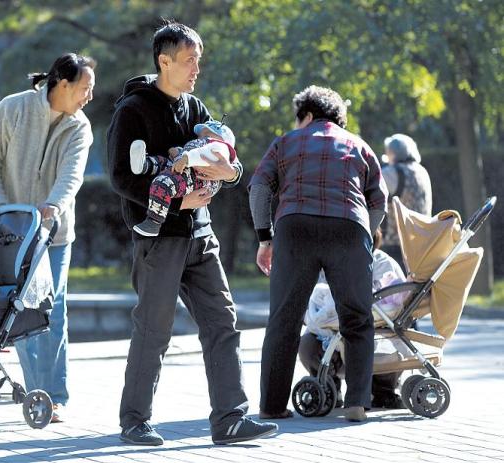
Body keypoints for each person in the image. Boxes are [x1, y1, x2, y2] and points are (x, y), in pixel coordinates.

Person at [107, 21, 277, 446]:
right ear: (164, 62)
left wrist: (232, 171)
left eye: (198, 60)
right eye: (188, 61)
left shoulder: (195, 108)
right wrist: (176, 203)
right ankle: (134, 421)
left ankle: (230, 419)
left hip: (201, 236)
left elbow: (226, 162)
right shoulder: (133, 110)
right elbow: (122, 178)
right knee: (154, 329)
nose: (196, 68)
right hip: (158, 237)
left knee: (223, 322)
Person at [248, 85, 388, 423]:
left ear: (307, 115)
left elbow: (259, 187)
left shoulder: (285, 142)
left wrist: (265, 237)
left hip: (295, 227)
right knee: (356, 317)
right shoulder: (360, 145)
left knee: (285, 317)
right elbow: (379, 199)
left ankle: (272, 405)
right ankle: (356, 402)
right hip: (349, 227)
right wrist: (363, 234)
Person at [0, 52, 96, 423]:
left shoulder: (80, 127)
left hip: (54, 234)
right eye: (84, 88)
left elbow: (71, 177)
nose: (89, 96)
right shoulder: (13, 109)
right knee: (20, 307)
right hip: (8, 232)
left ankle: (55, 396)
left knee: (52, 308)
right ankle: (34, 393)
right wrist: (3, 213)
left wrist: (53, 206)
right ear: (61, 84)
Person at [298, 230, 407, 410]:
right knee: (307, 344)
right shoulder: (324, 263)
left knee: (386, 345)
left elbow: (396, 305)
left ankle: (383, 391)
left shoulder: (382, 263)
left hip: (374, 332)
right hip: (329, 334)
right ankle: (330, 388)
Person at [129, 119, 237, 236]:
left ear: (223, 140)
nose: (200, 137)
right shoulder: (202, 144)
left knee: (163, 184)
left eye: (206, 134)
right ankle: (145, 165)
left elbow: (203, 154)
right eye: (200, 135)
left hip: (199, 180)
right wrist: (179, 153)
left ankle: (154, 223)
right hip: (188, 171)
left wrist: (185, 158)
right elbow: (193, 152)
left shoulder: (219, 148)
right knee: (163, 163)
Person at [380, 133, 432, 272]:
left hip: (396, 246)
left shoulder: (391, 173)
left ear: (392, 154)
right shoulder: (422, 171)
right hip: (421, 243)